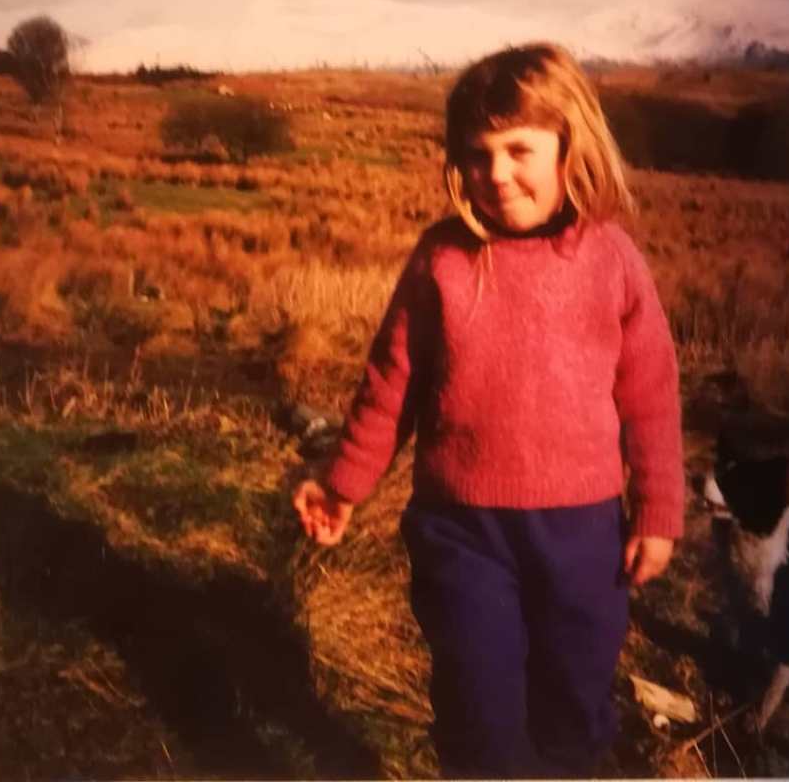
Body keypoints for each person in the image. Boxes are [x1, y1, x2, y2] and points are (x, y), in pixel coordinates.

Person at [293, 42, 683, 778]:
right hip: (462, 534)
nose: (497, 173)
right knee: (478, 716)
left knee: (573, 711)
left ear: (573, 146)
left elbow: (652, 396)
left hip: (583, 536)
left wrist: (659, 511)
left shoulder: (611, 260)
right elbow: (390, 384)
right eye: (477, 154)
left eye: (519, 149)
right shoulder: (442, 260)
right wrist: (344, 483)